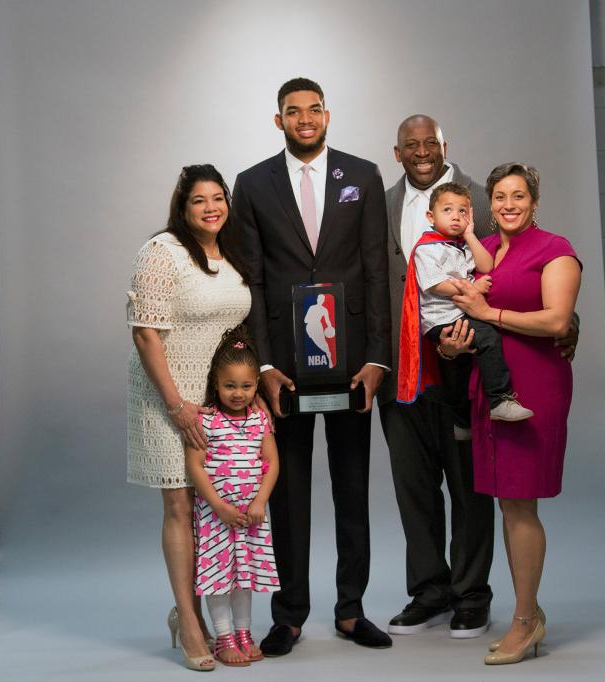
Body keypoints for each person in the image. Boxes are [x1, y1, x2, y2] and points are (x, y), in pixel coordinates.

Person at [233, 77, 393, 655]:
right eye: (293, 112)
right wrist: (264, 363)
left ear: (329, 114)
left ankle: (350, 611)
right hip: (285, 367)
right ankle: (290, 614)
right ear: (278, 120)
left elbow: (376, 269)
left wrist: (378, 357)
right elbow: (251, 276)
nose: (305, 119)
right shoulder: (252, 184)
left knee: (353, 488)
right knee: (288, 491)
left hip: (351, 362)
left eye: (314, 110)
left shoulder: (365, 175)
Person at [449, 162, 582, 665]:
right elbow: (471, 314)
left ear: (535, 201)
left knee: (521, 503)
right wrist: (459, 341)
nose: (508, 204)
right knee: (509, 503)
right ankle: (527, 612)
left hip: (536, 389)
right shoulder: (487, 250)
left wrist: (489, 316)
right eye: (500, 196)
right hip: (494, 389)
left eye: (518, 196)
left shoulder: (556, 249)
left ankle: (525, 622)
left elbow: (557, 320)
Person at [126, 164, 252, 672]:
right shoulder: (162, 252)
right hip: (166, 398)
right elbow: (144, 334)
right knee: (180, 505)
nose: (211, 208)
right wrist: (177, 405)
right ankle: (190, 622)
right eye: (199, 200)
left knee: (211, 510)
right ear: (182, 208)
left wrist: (247, 389)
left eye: (218, 198)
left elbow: (238, 327)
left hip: (219, 401)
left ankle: (202, 614)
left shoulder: (232, 252)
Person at [379, 115, 497, 640]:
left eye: (431, 144)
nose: (422, 151)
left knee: (470, 486)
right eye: (412, 145)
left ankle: (471, 595)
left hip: (461, 361)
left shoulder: (479, 198)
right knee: (414, 487)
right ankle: (429, 592)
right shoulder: (377, 205)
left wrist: (464, 336)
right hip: (400, 369)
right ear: (397, 152)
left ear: (444, 145)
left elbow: (511, 272)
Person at [397, 182, 532, 424]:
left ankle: (461, 422)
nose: (456, 217)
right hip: (442, 320)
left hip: (457, 316)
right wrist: (473, 288)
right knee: (488, 338)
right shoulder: (426, 248)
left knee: (462, 367)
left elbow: (485, 266)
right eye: (447, 210)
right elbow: (435, 284)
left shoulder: (460, 245)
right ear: (431, 216)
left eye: (462, 211)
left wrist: (469, 234)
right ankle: (500, 400)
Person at [185, 326, 280, 668]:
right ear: (215, 384)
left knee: (245, 577)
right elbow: (195, 466)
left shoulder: (259, 419)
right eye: (229, 386)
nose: (238, 393)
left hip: (251, 516)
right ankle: (223, 636)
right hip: (217, 516)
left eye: (246, 386)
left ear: (256, 385)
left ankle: (244, 633)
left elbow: (271, 464)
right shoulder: (206, 420)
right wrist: (218, 506)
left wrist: (259, 503)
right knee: (218, 577)